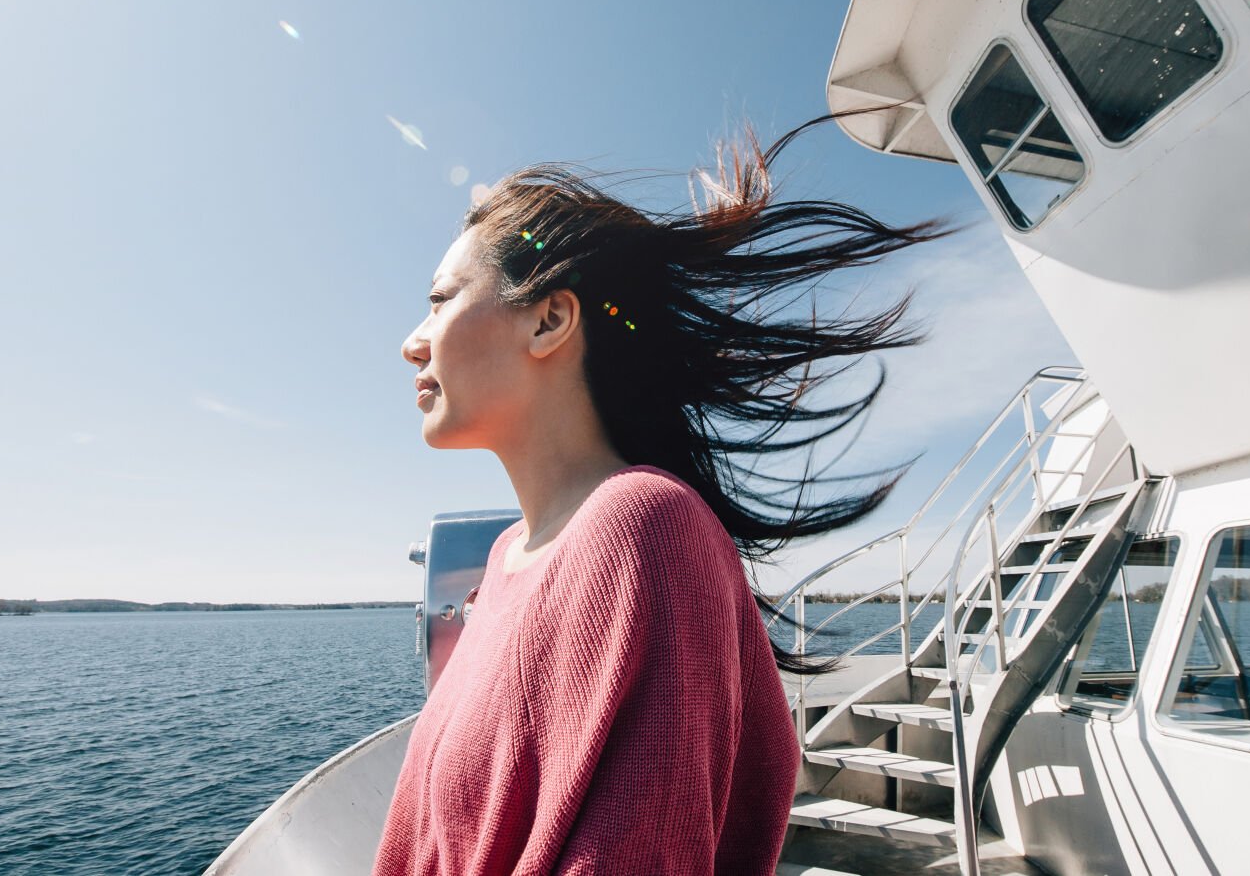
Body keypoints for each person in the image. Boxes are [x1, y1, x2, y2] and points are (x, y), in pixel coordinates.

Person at [372, 127, 945, 875]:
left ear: (549, 319)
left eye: (441, 302)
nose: (412, 343)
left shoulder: (643, 527)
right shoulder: (508, 553)